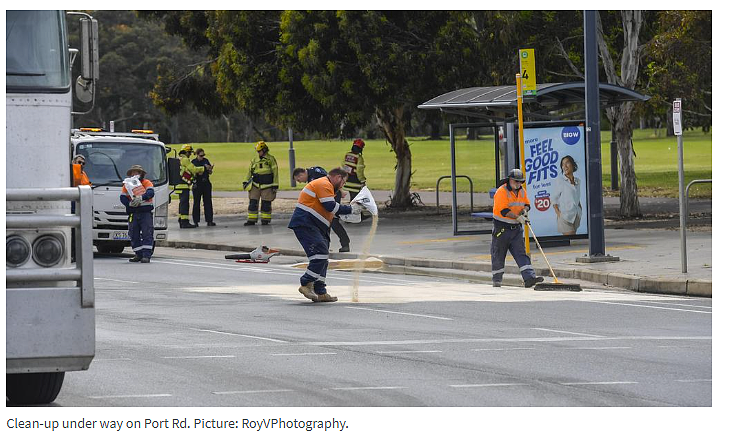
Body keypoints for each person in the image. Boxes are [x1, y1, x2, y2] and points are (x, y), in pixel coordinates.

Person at [288, 168, 362, 302]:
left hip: (316, 225)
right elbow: (330, 206)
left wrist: (347, 212)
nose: (342, 186)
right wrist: (351, 209)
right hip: (306, 223)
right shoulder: (324, 184)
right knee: (320, 255)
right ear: (338, 177)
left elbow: (330, 209)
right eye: (343, 182)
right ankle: (306, 283)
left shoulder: (326, 186)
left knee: (323, 259)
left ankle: (320, 291)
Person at [491, 168, 544, 288]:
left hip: (515, 229)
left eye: (520, 182)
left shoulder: (522, 191)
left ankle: (529, 278)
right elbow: (504, 211)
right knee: (498, 254)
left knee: (521, 253)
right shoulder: (501, 192)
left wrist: (524, 211)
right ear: (510, 180)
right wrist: (518, 217)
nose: (518, 184)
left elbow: (527, 204)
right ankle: (497, 280)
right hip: (502, 229)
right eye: (516, 181)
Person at [293, 166, 351, 252]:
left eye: (298, 180)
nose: (300, 182)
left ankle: (344, 243)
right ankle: (325, 246)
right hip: (327, 196)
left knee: (332, 221)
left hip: (330, 196)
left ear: (300, 175)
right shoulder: (312, 175)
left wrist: (340, 191)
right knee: (325, 221)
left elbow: (332, 181)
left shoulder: (316, 173)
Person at [120, 165, 155, 263]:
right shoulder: (127, 185)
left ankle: (146, 256)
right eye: (133, 173)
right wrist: (129, 204)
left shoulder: (147, 183)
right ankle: (138, 254)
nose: (135, 174)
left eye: (138, 172)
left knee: (147, 233)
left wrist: (141, 198)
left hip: (145, 213)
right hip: (134, 213)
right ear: (131, 174)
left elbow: (150, 193)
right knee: (133, 234)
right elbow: (122, 197)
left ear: (142, 174)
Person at [243, 141, 278, 225]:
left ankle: (265, 220)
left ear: (264, 150)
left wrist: (275, 185)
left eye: (259, 151)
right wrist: (245, 180)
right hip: (255, 185)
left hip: (267, 186)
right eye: (257, 151)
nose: (258, 153)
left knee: (266, 204)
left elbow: (275, 172)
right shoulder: (254, 160)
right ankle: (251, 220)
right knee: (253, 203)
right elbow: (249, 171)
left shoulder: (271, 159)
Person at [175, 144, 205, 229]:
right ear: (186, 152)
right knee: (185, 204)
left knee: (182, 203)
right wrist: (203, 168)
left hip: (178, 185)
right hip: (184, 185)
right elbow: (194, 169)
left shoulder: (179, 159)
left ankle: (181, 219)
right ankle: (185, 222)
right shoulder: (185, 160)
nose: (190, 155)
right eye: (190, 153)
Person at [551, 155, 582, 235]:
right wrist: (559, 214)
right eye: (562, 164)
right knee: (571, 240)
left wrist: (580, 209)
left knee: (573, 242)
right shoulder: (560, 181)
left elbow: (576, 197)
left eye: (567, 163)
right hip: (565, 217)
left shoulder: (578, 181)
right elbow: (554, 199)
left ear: (573, 165)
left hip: (576, 216)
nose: (564, 166)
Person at [191, 147, 216, 227]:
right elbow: (193, 171)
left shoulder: (206, 160)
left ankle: (209, 220)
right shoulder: (193, 162)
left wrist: (209, 169)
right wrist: (200, 171)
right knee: (196, 203)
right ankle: (196, 221)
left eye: (203, 155)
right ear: (197, 155)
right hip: (197, 184)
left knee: (208, 202)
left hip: (206, 183)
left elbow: (209, 172)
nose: (202, 157)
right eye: (201, 155)